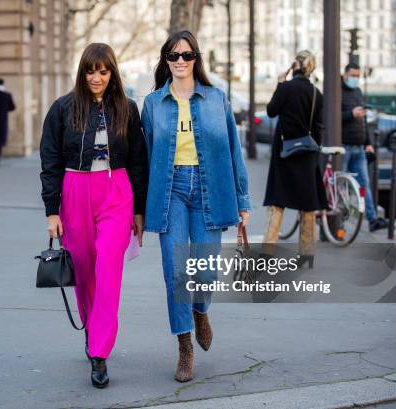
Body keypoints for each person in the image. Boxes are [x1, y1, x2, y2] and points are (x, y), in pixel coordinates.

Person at [141, 31, 251, 383]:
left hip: (210, 190)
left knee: (205, 270)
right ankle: (185, 346)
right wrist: (137, 208)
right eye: (173, 56)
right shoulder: (153, 103)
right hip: (169, 189)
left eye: (187, 56)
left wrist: (243, 200)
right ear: (166, 60)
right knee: (176, 269)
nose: (180, 62)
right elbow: (142, 159)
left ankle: (201, 309)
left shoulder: (217, 99)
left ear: (196, 60)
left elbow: (234, 151)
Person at [39, 43, 148, 388]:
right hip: (75, 192)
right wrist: (51, 211)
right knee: (84, 270)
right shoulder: (62, 109)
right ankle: (92, 334)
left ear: (112, 72)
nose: (97, 77)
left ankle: (100, 352)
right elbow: (50, 161)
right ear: (82, 72)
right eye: (91, 70)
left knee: (107, 268)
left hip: (116, 193)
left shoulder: (127, 109)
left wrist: (140, 209)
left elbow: (139, 161)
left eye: (103, 71)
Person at [262, 50, 327, 267]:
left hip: (284, 153)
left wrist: (280, 83)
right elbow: (319, 128)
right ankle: (307, 254)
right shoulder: (317, 93)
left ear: (295, 65)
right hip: (307, 154)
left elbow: (271, 111)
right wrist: (314, 152)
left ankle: (268, 252)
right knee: (307, 205)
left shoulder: (287, 88)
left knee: (277, 201)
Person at [341, 62, 388, 232]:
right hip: (343, 145)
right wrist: (350, 114)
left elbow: (363, 121)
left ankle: (373, 219)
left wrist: (368, 143)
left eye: (358, 76)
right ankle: (339, 221)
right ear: (345, 74)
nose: (356, 78)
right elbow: (331, 117)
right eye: (353, 75)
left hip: (359, 146)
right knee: (341, 186)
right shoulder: (336, 91)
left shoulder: (358, 91)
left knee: (364, 183)